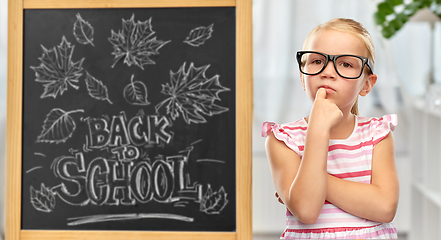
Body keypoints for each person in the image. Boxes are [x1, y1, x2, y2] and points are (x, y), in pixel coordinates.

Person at [262, 18, 399, 239]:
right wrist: (318, 129)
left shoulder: (378, 134)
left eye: (346, 64)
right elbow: (306, 210)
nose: (328, 72)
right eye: (317, 61)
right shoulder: (282, 139)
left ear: (366, 84)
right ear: (302, 76)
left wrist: (309, 179)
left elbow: (385, 208)